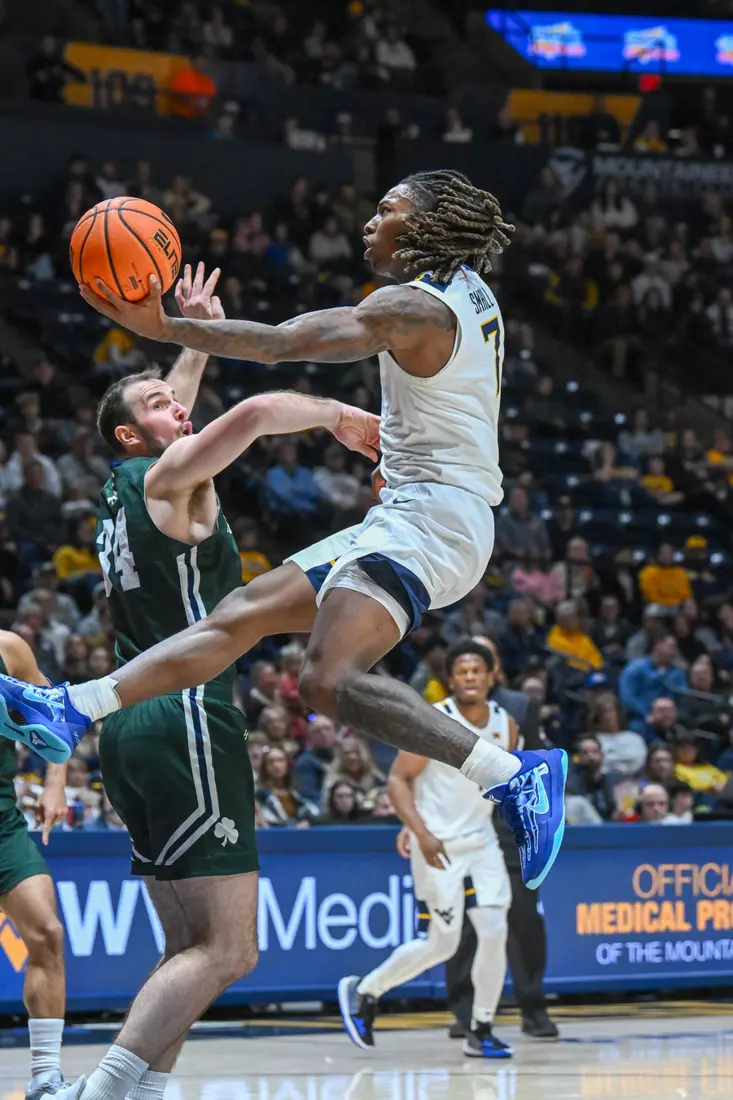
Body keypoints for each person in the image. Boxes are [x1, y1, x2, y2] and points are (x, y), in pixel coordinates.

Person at [0, 172, 567, 954]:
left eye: (387, 210)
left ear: (428, 225)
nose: (370, 222)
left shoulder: (414, 306)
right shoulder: (461, 291)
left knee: (326, 681)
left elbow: (286, 344)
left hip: (431, 522)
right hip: (423, 512)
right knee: (237, 615)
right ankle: (75, 707)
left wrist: (166, 331)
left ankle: (510, 773)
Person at [8, 263, 378, 1100]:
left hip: (133, 721)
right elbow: (250, 417)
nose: (178, 413)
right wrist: (341, 416)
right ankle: (96, 1094)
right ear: (133, 438)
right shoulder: (172, 478)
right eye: (158, 410)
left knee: (187, 950)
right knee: (231, 949)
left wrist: (192, 342)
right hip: (185, 714)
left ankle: (138, 1095)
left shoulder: (127, 488)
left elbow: (172, 417)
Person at [339, 641, 513, 1059]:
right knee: (443, 944)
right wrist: (418, 831)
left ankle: (482, 1027)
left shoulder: (506, 724)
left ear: (492, 676)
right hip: (438, 844)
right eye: (462, 671)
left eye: (477, 670)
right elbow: (397, 780)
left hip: (483, 841)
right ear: (450, 679)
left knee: (494, 932)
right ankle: (365, 990)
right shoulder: (434, 724)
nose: (470, 677)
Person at [0, 629, 68, 1100]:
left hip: (2, 823)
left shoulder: (8, 648)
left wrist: (54, 783)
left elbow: (54, 712)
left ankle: (46, 1078)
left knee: (46, 933)